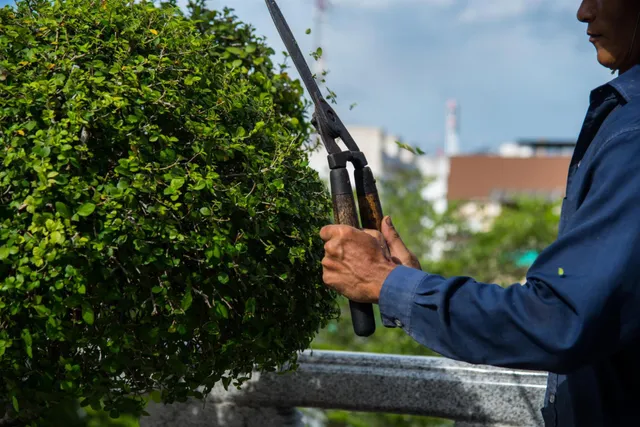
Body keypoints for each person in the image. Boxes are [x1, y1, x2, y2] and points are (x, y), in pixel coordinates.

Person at [319, 1, 640, 426]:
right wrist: (406, 282)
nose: (583, 13)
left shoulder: (633, 136)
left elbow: (559, 320)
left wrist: (390, 284)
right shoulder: (621, 118)